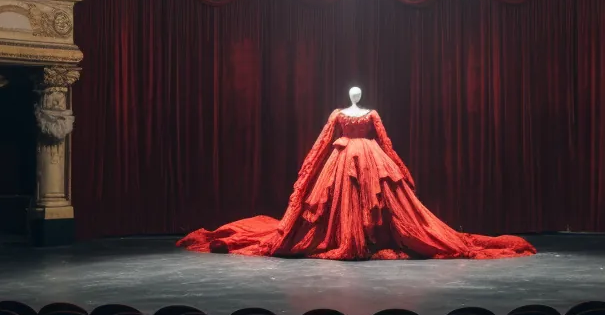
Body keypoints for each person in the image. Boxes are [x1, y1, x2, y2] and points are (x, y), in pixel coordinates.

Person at [178, 86, 535, 260]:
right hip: (357, 158)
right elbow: (331, 144)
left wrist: (398, 169)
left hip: (359, 157)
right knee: (347, 203)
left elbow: (362, 142)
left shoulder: (356, 114)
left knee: (375, 200)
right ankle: (365, 237)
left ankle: (370, 237)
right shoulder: (348, 114)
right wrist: (309, 175)